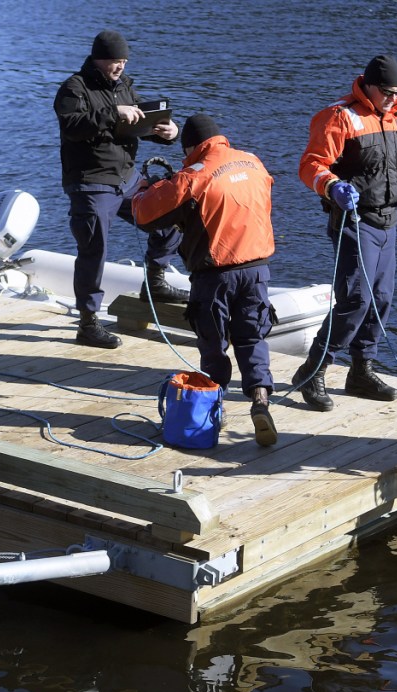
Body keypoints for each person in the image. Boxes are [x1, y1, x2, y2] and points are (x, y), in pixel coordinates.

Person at [293, 54, 397, 411]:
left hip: (389, 221)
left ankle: (361, 370)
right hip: (354, 222)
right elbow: (311, 164)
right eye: (386, 92)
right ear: (369, 85)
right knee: (355, 299)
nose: (392, 98)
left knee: (382, 298)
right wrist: (332, 187)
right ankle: (314, 370)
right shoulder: (340, 116)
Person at [132, 115, 278, 447]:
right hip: (258, 269)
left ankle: (215, 410)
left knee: (214, 347)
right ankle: (260, 402)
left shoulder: (194, 175)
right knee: (252, 338)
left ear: (190, 147)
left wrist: (145, 187)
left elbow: (144, 215)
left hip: (215, 275)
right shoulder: (253, 162)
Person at [54, 29, 188, 349]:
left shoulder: (125, 86)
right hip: (91, 184)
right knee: (94, 250)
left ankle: (155, 283)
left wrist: (167, 132)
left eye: (125, 62)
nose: (121, 67)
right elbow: (72, 126)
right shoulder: (75, 88)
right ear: (100, 59)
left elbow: (140, 121)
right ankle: (87, 324)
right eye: (116, 62)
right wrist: (113, 113)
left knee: (173, 211)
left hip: (127, 180)